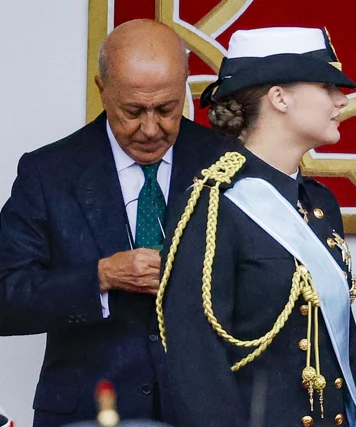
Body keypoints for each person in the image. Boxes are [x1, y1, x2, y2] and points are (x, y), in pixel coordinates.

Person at [0, 19, 232, 426]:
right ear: (102, 89)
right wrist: (100, 277)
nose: (150, 129)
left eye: (166, 109)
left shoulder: (227, 163)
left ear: (185, 89)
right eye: (132, 111)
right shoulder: (48, 172)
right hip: (85, 410)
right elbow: (5, 298)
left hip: (206, 410)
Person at [157, 27, 356, 427]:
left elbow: (344, 351)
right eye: (328, 87)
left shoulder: (319, 203)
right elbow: (198, 368)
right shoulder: (213, 204)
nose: (342, 100)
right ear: (280, 97)